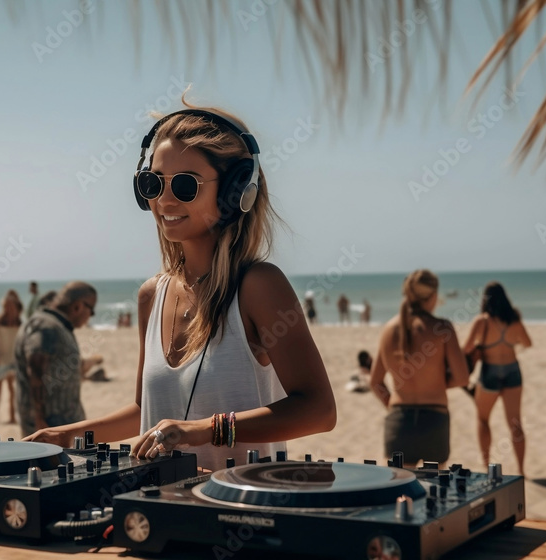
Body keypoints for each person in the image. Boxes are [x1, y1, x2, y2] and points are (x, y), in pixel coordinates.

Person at [25, 105, 336, 471]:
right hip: (156, 515)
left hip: (234, 511)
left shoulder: (259, 287)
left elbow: (318, 410)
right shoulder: (151, 295)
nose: (165, 200)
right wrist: (66, 434)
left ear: (237, 191)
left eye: (186, 184)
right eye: (153, 183)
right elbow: (147, 413)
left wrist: (207, 430)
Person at [370, 270, 469, 467]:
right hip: (434, 419)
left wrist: (393, 405)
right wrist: (436, 383)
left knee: (400, 492)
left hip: (399, 420)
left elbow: (375, 382)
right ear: (432, 296)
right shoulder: (442, 328)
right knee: (435, 493)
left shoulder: (388, 330)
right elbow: (462, 378)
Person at [463, 282, 531, 475]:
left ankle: (486, 466)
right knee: (515, 424)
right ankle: (521, 470)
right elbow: (528, 343)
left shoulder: (482, 321)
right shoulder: (514, 320)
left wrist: (480, 346)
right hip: (512, 370)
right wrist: (511, 342)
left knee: (483, 419)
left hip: (489, 371)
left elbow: (466, 348)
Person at [14, 282, 97, 436]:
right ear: (77, 306)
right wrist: (39, 419)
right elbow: (35, 368)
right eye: (91, 310)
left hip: (58, 428)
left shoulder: (54, 325)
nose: (91, 316)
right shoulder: (46, 326)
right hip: (51, 429)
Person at [0, 290, 23, 424]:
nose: (8, 308)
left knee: (12, 391)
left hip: (13, 361)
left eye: (11, 306)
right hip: (1, 362)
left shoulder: (20, 323)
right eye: (7, 306)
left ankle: (12, 417)